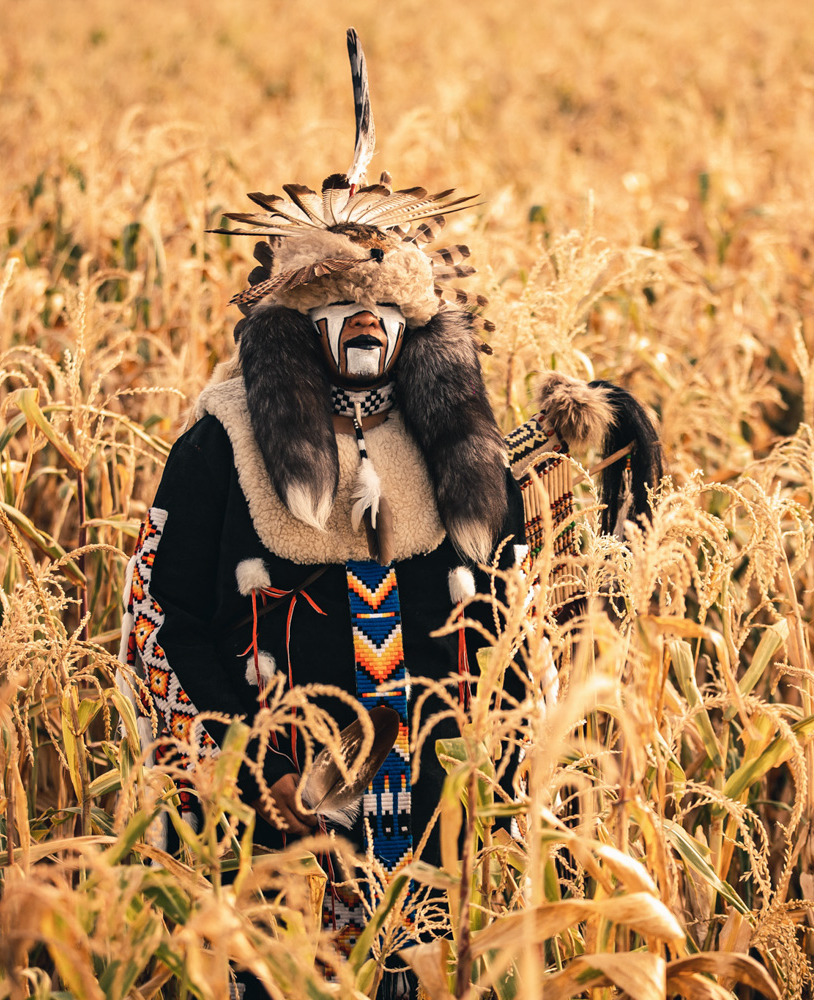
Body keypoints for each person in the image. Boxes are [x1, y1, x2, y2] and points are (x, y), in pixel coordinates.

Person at [117, 27, 663, 994]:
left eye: (383, 311)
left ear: (415, 327)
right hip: (274, 822)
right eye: (340, 308)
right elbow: (158, 625)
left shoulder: (460, 452)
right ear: (292, 327)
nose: (364, 324)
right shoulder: (221, 445)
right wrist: (242, 770)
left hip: (430, 826)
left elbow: (509, 623)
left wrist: (492, 774)